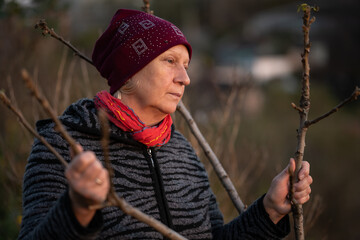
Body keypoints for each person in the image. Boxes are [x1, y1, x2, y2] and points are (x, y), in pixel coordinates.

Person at [18, 9, 312, 239]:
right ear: (130, 70)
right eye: (170, 61)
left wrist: (269, 210)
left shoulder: (181, 151)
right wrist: (77, 210)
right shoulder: (60, 145)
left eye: (185, 65)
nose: (185, 78)